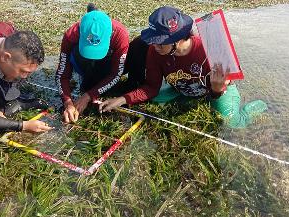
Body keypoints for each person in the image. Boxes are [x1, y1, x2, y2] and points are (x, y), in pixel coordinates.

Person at [99, 6, 268, 128]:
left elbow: (220, 85)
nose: (154, 45)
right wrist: (121, 100)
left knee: (232, 123)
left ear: (178, 39)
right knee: (154, 98)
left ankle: (260, 106)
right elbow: (151, 87)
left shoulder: (209, 49)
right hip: (183, 87)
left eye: (160, 42)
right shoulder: (155, 51)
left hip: (216, 89)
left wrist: (217, 90)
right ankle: (185, 97)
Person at [55, 4, 129, 123]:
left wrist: (89, 95)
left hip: (107, 61)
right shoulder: (71, 34)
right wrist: (67, 102)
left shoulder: (120, 34)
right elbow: (62, 74)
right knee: (87, 83)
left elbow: (116, 74)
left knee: (100, 84)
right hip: (80, 61)